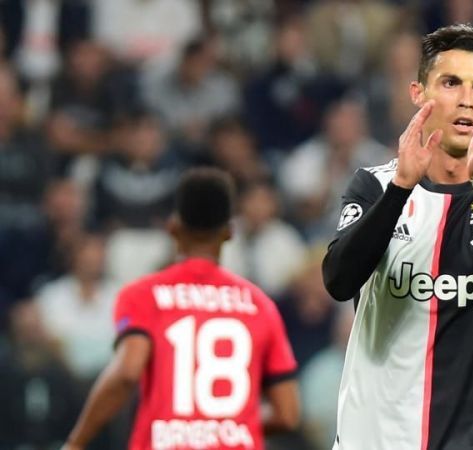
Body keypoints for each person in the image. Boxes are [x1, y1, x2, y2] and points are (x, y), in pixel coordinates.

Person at [322, 24, 473, 450]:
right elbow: (338, 281)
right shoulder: (374, 187)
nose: (468, 99)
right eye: (451, 83)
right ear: (419, 93)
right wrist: (400, 188)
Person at [62, 168, 300, 450]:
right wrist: (227, 427)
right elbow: (287, 414)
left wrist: (75, 443)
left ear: (173, 227)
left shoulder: (143, 295)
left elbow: (127, 372)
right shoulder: (260, 305)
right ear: (229, 233)